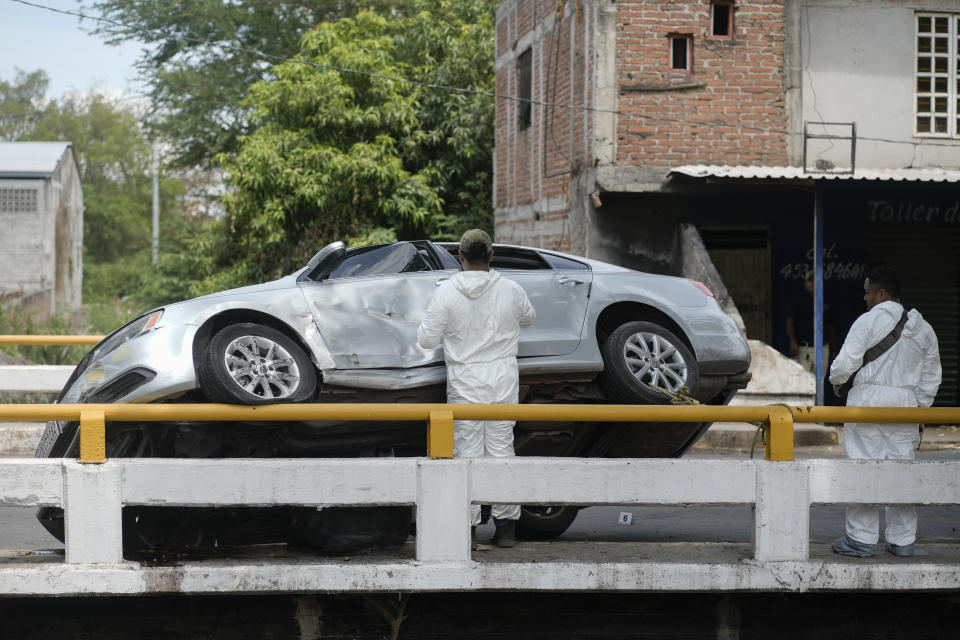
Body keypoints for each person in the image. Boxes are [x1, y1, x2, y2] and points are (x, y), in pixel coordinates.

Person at [417, 229, 536, 548]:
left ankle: (467, 531)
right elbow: (529, 318)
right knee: (501, 449)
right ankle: (507, 529)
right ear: (491, 255)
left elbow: (426, 339)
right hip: (503, 377)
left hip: (465, 379)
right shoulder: (511, 289)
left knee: (466, 452)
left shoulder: (446, 292)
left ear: (460, 257)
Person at [828, 265, 941, 558]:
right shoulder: (924, 328)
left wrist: (838, 384)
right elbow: (931, 377)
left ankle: (861, 540)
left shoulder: (867, 321)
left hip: (866, 404)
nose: (864, 298)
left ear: (881, 293)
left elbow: (843, 366)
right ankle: (903, 541)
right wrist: (920, 409)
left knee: (863, 467)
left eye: (867, 292)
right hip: (905, 408)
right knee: (901, 471)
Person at [785, 270, 836, 373]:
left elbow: (830, 327)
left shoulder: (826, 301)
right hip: (804, 348)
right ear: (805, 283)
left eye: (815, 280)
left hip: (823, 348)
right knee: (803, 383)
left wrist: (834, 350)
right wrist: (792, 342)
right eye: (810, 280)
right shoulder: (797, 301)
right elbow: (789, 322)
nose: (813, 283)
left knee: (819, 383)